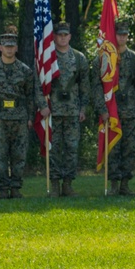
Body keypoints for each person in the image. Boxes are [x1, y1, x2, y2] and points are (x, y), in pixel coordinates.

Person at [0, 27, 48, 199]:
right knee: (0, 155)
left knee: (19, 155)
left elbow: (30, 95)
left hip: (20, 118)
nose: (9, 49)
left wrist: (31, 117)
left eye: (12, 46)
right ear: (0, 47)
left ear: (16, 48)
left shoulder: (25, 71)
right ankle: (3, 189)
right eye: (5, 46)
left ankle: (15, 188)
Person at [94, 23, 135, 196]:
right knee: (113, 148)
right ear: (113, 35)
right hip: (111, 110)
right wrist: (102, 109)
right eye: (119, 34)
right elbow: (97, 86)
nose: (122, 37)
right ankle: (114, 184)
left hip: (130, 111)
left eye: (125, 34)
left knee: (129, 148)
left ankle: (125, 184)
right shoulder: (104, 58)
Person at [48, 23, 91, 197]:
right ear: (55, 37)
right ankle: (55, 184)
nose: (63, 38)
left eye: (66, 34)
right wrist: (43, 106)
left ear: (70, 36)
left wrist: (83, 108)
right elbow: (40, 84)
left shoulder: (79, 58)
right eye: (59, 35)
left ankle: (68, 184)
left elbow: (85, 86)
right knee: (54, 148)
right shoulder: (48, 58)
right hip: (53, 111)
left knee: (72, 148)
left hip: (73, 111)